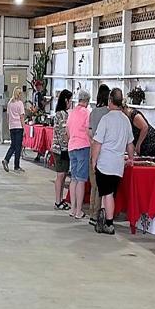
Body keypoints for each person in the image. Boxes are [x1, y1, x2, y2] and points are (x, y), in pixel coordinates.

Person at [90, 87, 135, 234]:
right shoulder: (125, 120)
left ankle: (109, 223)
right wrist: (131, 158)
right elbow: (130, 144)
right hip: (118, 165)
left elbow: (97, 143)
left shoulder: (106, 119)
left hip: (105, 164)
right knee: (108, 193)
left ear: (110, 101)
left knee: (107, 193)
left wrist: (94, 160)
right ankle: (102, 219)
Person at [66, 89, 93, 221]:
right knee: (81, 180)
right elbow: (89, 131)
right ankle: (78, 210)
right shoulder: (87, 113)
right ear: (87, 101)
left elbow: (67, 130)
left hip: (72, 146)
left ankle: (72, 209)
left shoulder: (71, 113)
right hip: (83, 146)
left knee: (74, 178)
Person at [85, 85, 111, 210]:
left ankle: (92, 212)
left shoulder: (93, 112)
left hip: (93, 149)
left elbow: (89, 132)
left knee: (94, 184)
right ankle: (99, 213)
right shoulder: (109, 113)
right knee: (102, 186)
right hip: (105, 152)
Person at [51, 89, 72, 209]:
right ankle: (57, 201)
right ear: (66, 100)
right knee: (60, 175)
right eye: (70, 100)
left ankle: (60, 199)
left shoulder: (60, 113)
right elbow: (63, 133)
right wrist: (68, 145)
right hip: (61, 149)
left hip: (61, 148)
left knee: (63, 175)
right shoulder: (62, 114)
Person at [2, 88, 25, 173]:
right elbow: (22, 117)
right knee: (18, 147)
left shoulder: (10, 103)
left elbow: (8, 117)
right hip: (19, 127)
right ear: (19, 94)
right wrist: (24, 128)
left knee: (13, 145)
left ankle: (6, 160)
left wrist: (9, 126)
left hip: (12, 127)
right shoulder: (20, 104)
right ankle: (16, 165)